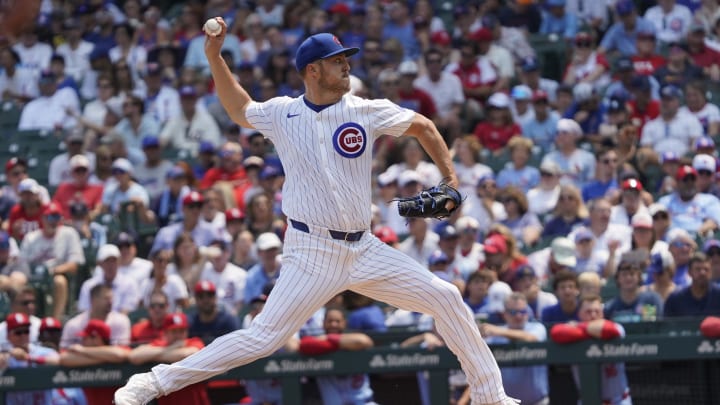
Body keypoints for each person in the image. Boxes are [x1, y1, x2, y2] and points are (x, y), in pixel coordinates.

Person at [114, 27, 517, 405]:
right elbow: (239, 108)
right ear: (313, 69)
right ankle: (153, 383)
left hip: (364, 248)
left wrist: (449, 178)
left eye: (346, 58)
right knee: (263, 338)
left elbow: (423, 126)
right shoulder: (283, 114)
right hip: (311, 250)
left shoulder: (365, 109)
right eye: (337, 59)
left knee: (446, 297)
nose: (346, 65)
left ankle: (490, 397)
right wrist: (214, 57)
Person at [459, 293, 549, 405]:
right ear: (505, 314)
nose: (518, 316)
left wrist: (498, 332)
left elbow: (531, 338)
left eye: (522, 312)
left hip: (537, 401)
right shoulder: (494, 335)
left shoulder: (537, 327)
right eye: (513, 312)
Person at [549, 295, 632, 405]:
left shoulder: (617, 327)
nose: (593, 315)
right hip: (587, 400)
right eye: (588, 311)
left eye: (597, 311)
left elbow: (609, 330)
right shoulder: (571, 329)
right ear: (579, 313)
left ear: (602, 313)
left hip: (618, 400)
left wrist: (579, 327)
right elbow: (556, 332)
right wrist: (587, 330)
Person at [299, 307, 377, 405]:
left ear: (345, 323)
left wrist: (328, 338)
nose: (333, 324)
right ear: (323, 323)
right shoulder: (317, 344)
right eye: (330, 321)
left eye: (337, 321)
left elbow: (365, 341)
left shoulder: (352, 340)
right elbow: (301, 345)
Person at [128, 313, 210, 405]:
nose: (178, 335)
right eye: (174, 331)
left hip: (193, 400)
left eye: (181, 331)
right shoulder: (161, 345)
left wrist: (156, 356)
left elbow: (190, 354)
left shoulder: (194, 341)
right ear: (165, 332)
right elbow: (134, 356)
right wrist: (170, 349)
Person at [0, 313, 60, 405]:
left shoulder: (43, 352)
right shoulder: (6, 354)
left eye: (26, 331)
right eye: (18, 332)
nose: (23, 335)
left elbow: (59, 361)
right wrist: (10, 354)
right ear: (8, 336)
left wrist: (28, 358)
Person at [664, 252, 720, 317]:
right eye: (698, 269)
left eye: (706, 269)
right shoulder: (675, 299)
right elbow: (666, 325)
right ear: (689, 272)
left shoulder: (718, 295)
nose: (702, 273)